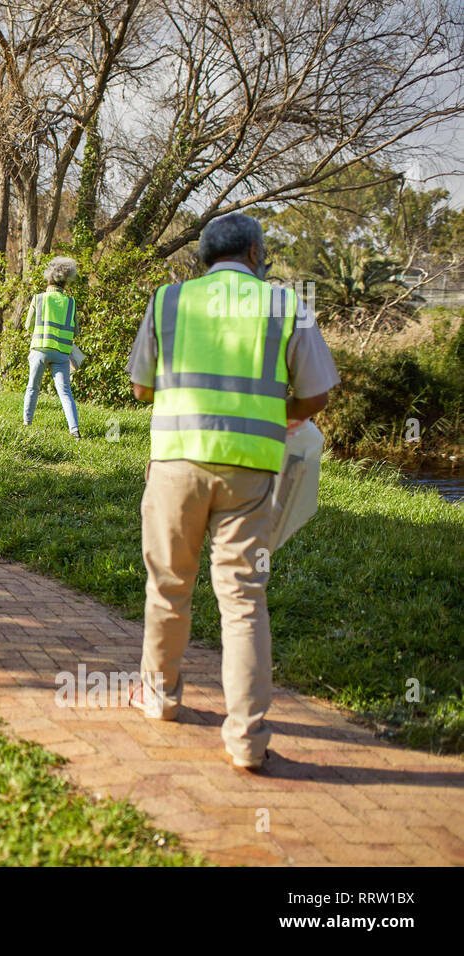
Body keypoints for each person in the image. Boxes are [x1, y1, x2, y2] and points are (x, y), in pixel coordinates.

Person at [125, 213, 340, 773]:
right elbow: (317, 394)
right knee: (244, 600)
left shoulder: (168, 301)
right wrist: (278, 417)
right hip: (249, 472)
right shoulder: (285, 303)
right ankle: (246, 738)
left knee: (168, 587)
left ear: (203, 255)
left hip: (176, 462)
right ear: (253, 252)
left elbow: (141, 385)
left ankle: (160, 698)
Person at [23, 256, 82, 439]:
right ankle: (74, 430)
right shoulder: (71, 303)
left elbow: (27, 325)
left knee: (33, 387)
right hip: (62, 353)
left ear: (49, 279)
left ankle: (27, 424)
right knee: (65, 393)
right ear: (65, 282)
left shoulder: (39, 298)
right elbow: (76, 331)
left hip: (40, 349)